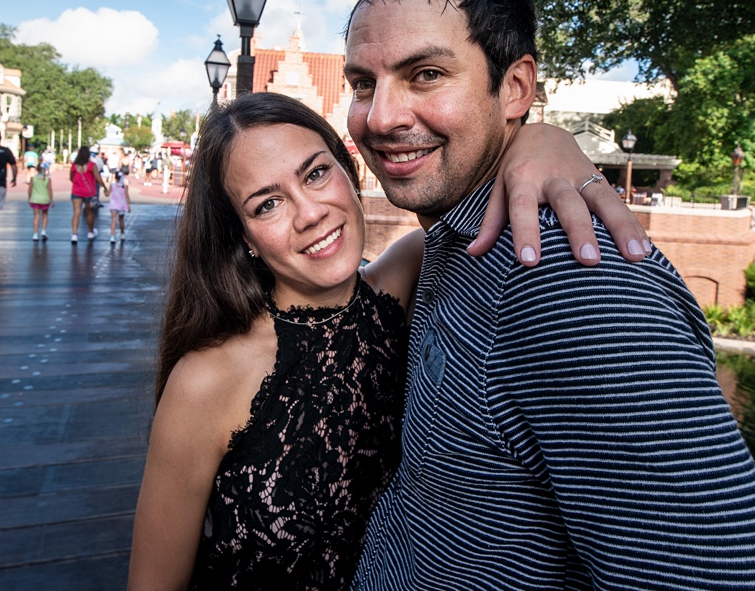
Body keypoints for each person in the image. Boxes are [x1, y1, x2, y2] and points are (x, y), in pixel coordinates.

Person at [343, 0, 755, 590]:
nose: (380, 116)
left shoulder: (571, 281)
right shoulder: (452, 243)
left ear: (515, 88)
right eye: (363, 83)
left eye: (425, 74)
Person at [127, 94, 649, 591]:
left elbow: (481, 174)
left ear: (350, 174)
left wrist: (546, 138)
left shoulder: (410, 271)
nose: (310, 213)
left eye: (315, 173)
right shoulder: (206, 380)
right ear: (243, 236)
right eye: (267, 204)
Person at [69, 146, 106, 242]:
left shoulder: (74, 165)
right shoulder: (91, 165)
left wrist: (77, 183)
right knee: (89, 212)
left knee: (76, 213)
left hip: (76, 191)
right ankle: (90, 232)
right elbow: (98, 178)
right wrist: (105, 187)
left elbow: (71, 178)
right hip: (89, 192)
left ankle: (74, 235)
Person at [28, 163, 52, 241]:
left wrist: (29, 198)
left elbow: (30, 189)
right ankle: (43, 231)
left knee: (36, 216)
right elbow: (49, 190)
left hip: (35, 198)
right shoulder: (47, 179)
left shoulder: (33, 178)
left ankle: (35, 234)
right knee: (45, 215)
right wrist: (51, 200)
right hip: (45, 198)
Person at [107, 167, 131, 244]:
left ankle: (112, 236)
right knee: (121, 219)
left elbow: (107, 194)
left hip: (113, 204)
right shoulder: (124, 186)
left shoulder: (112, 185)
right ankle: (122, 232)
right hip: (122, 204)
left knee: (113, 220)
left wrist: (105, 190)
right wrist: (128, 205)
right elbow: (127, 195)